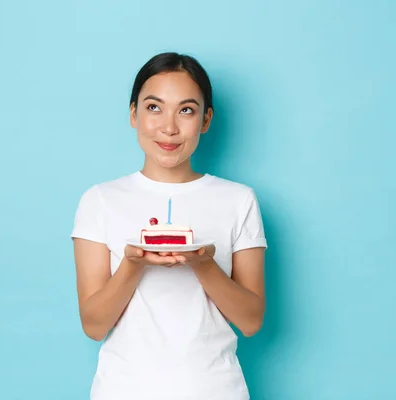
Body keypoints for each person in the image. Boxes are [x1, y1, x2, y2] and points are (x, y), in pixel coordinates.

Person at [71, 52, 267, 400]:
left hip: (216, 390)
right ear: (133, 114)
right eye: (154, 107)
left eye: (186, 110)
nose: (169, 127)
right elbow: (93, 324)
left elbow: (251, 322)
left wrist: (203, 264)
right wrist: (133, 264)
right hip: (122, 390)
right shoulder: (99, 200)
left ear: (206, 120)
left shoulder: (239, 200)